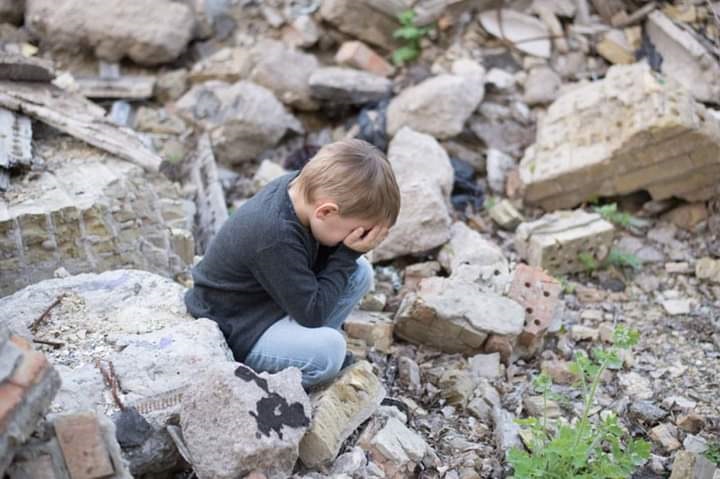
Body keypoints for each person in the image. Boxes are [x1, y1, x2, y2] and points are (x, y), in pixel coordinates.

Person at [184, 139, 401, 388]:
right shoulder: (274, 234)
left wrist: (348, 253)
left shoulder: (302, 191)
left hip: (267, 303)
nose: (355, 239)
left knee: (360, 272)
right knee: (328, 352)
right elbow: (313, 314)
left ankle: (301, 345)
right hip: (236, 327)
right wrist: (346, 254)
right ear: (326, 212)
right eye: (354, 232)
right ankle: (271, 382)